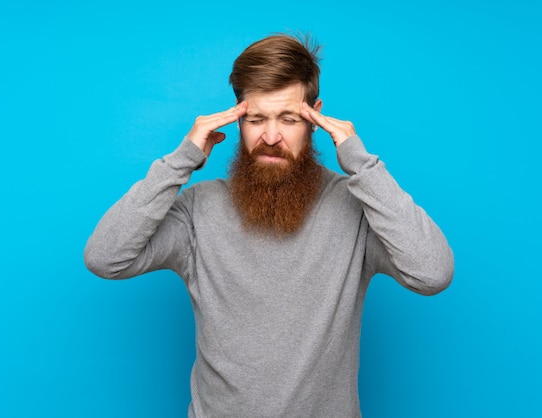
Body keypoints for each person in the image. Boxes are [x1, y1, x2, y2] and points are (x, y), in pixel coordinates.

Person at [84, 33, 454, 417]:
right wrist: (182, 160)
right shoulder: (199, 208)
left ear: (316, 117)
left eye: (289, 119)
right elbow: (105, 258)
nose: (271, 137)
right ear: (238, 118)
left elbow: (432, 273)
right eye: (256, 119)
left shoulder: (356, 207)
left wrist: (362, 163)